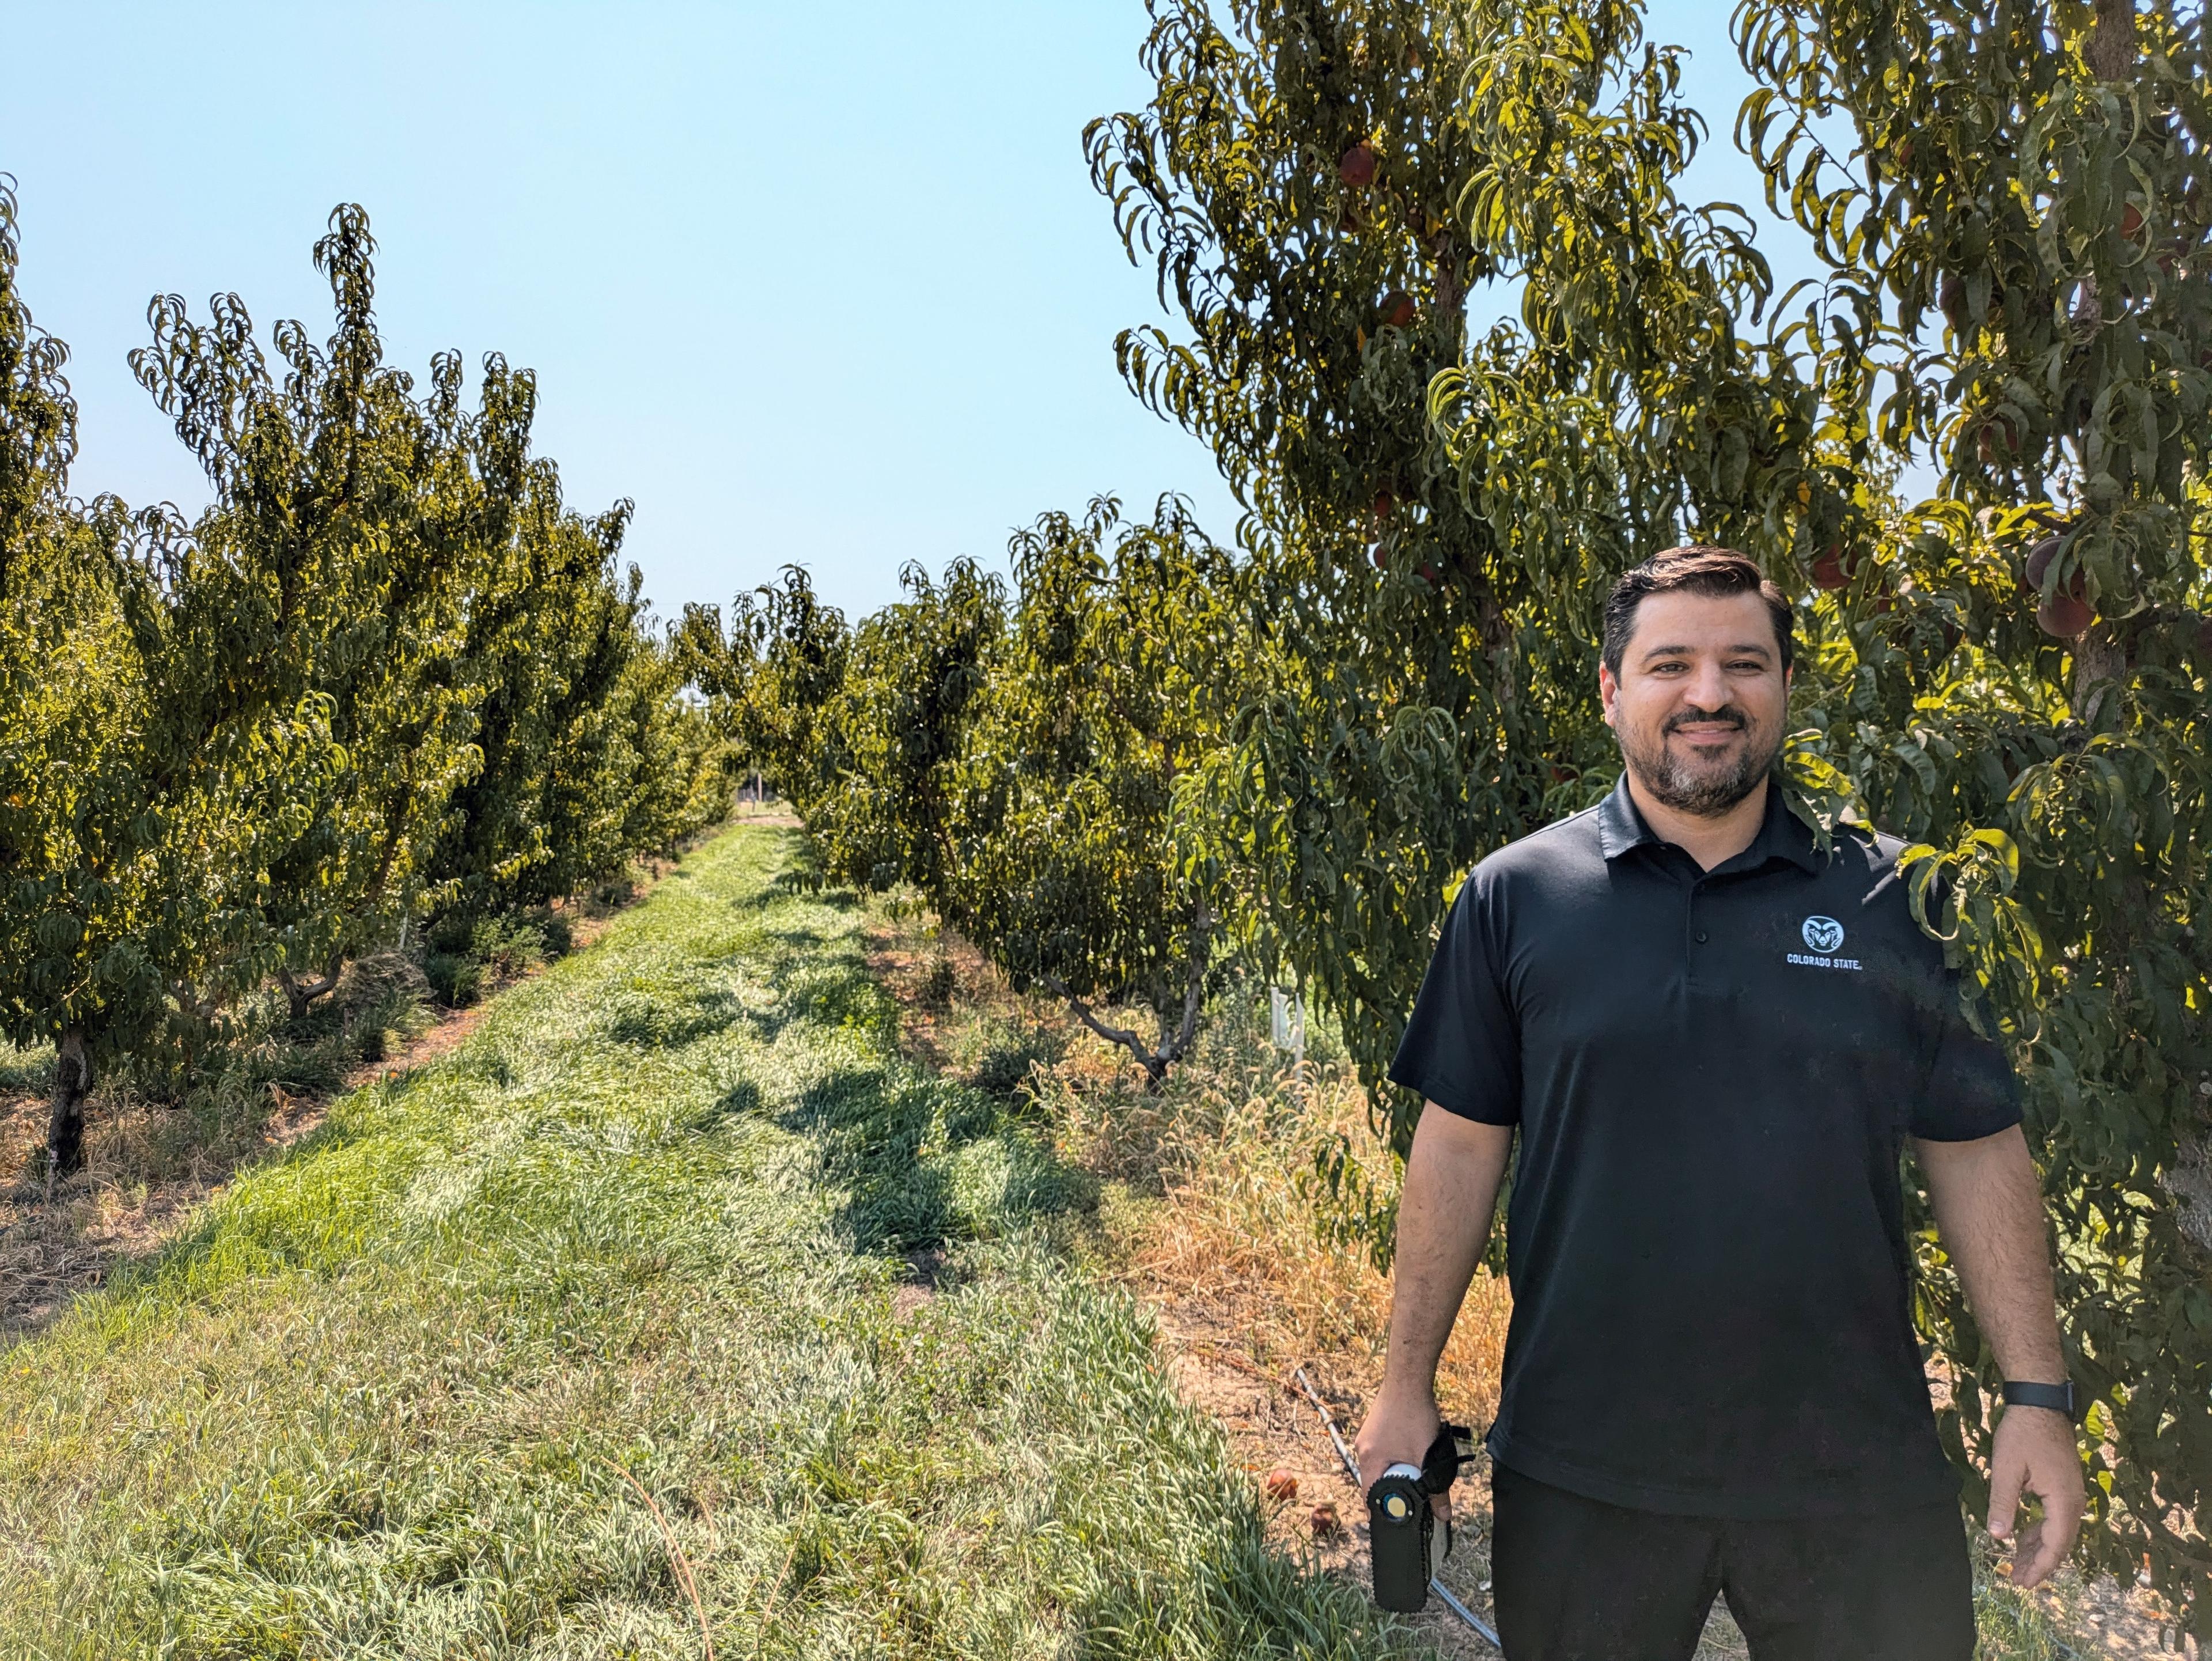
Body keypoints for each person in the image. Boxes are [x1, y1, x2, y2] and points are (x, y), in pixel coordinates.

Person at [1353, 546, 2084, 1660]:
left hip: (1856, 1467)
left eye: (1745, 663)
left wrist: (2038, 1393)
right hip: (1584, 1467)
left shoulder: (1893, 898)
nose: (1709, 694)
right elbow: (1457, 1142)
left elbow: (1978, 1144)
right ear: (1611, 692)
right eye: (1671, 665)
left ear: (1786, 685)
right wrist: (1405, 1387)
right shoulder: (1518, 897)